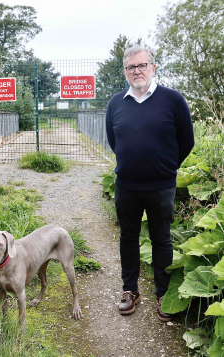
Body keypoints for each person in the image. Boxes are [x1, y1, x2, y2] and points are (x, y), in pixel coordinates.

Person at [105, 46, 194, 321]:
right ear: (125, 72)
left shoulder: (173, 100)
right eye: (131, 67)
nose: (137, 71)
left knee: (161, 239)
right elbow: (113, 140)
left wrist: (166, 168)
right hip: (127, 186)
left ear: (153, 67)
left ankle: (164, 294)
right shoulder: (116, 103)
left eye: (142, 65)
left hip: (161, 186)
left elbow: (186, 141)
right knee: (128, 238)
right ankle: (130, 291)